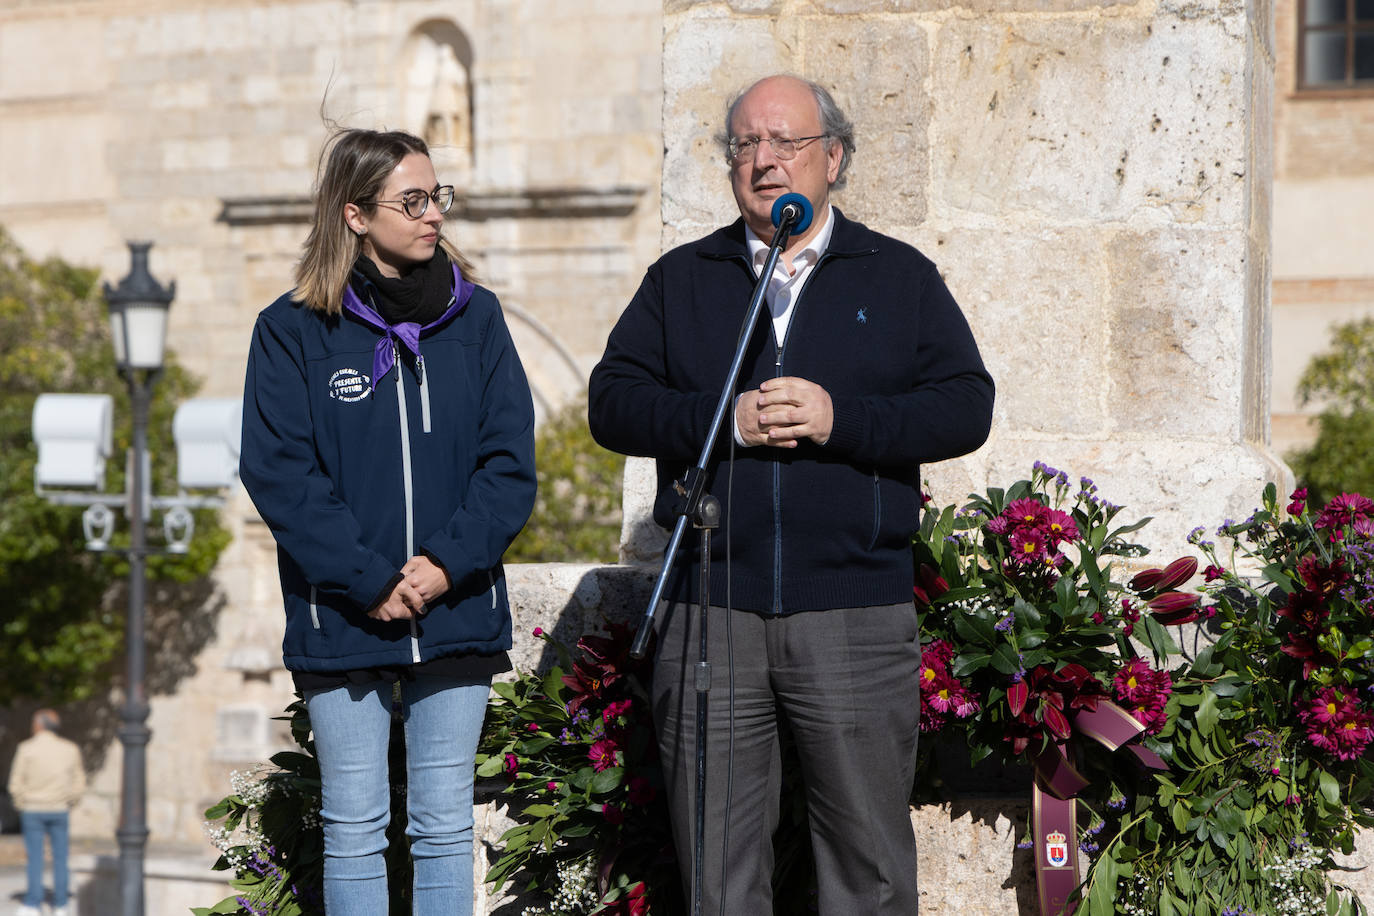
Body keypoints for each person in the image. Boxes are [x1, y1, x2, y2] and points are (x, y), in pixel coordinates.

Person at [588, 75, 995, 914]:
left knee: (867, 870)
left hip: (851, 612)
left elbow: (966, 404)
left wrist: (841, 419)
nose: (763, 162)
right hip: (714, 611)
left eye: (786, 143)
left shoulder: (897, 276)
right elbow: (612, 401)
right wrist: (723, 419)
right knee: (720, 879)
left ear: (833, 158)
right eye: (744, 145)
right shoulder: (683, 278)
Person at [239, 128, 536, 915]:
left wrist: (444, 564)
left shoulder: (480, 321)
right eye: (412, 200)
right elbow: (280, 473)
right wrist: (369, 580)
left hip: (457, 607)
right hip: (342, 614)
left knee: (443, 827)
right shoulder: (291, 331)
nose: (433, 213)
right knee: (354, 826)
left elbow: (508, 466)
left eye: (438, 196)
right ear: (355, 214)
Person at [8, 708, 85, 916]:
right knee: (60, 858)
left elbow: (15, 783)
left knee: (35, 859)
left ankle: (33, 903)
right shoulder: (69, 749)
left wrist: (22, 802)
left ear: (39, 725)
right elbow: (79, 781)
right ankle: (61, 904)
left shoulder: (27, 748)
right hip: (59, 809)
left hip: (33, 810)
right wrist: (70, 800)